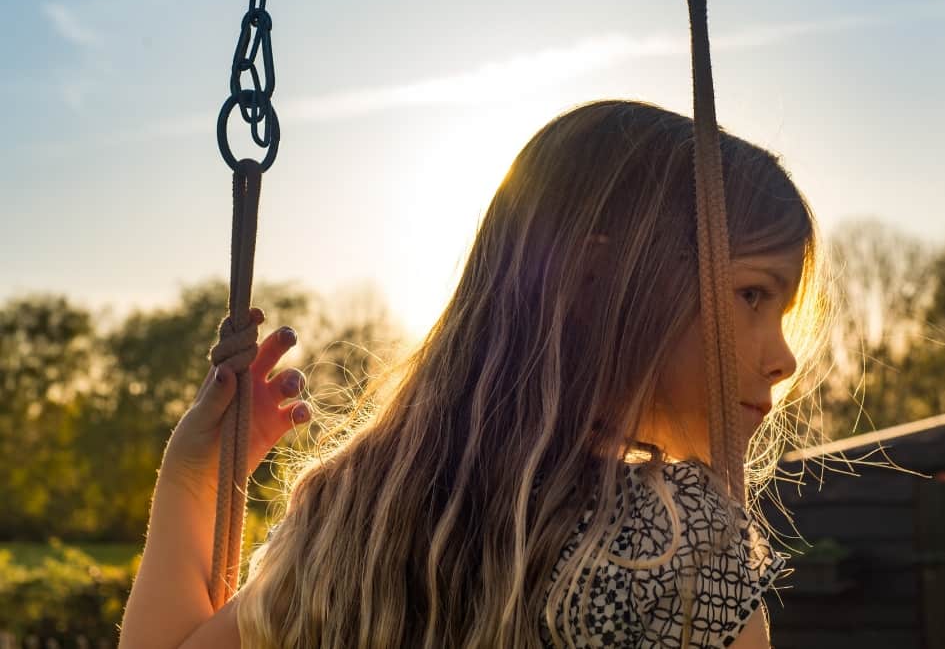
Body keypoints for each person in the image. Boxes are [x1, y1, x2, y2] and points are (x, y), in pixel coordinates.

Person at [119, 100, 829, 648]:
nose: (782, 357)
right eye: (751, 296)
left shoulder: (354, 520)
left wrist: (195, 479)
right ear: (590, 281)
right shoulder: (675, 541)